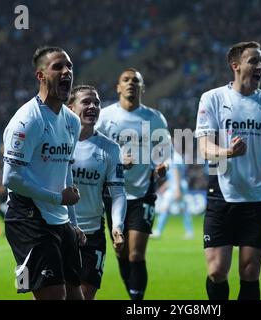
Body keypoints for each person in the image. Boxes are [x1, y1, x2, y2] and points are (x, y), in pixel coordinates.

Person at [195, 41, 261, 300]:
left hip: (257, 198)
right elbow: (204, 147)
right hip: (222, 193)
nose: (260, 66)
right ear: (235, 65)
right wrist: (228, 153)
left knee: (250, 271)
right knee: (217, 271)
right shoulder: (212, 98)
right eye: (254, 61)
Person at [2, 46, 86, 300]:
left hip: (59, 219)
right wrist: (58, 199)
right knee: (54, 295)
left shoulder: (72, 121)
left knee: (76, 294)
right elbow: (11, 178)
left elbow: (65, 173)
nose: (66, 71)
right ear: (40, 76)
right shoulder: (28, 120)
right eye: (58, 67)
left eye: (69, 66)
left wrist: (73, 221)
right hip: (28, 218)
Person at [96, 68, 170, 300]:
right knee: (122, 252)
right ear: (118, 87)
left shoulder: (154, 118)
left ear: (142, 88)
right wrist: (117, 162)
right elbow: (92, 150)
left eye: (135, 81)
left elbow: (166, 150)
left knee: (136, 254)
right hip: (112, 192)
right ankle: (134, 295)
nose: (130, 83)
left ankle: (137, 302)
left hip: (143, 192)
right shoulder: (105, 117)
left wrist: (163, 164)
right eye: (125, 80)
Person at [67, 85, 126, 300]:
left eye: (97, 103)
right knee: (53, 293)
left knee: (85, 294)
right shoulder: (59, 142)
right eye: (86, 102)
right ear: (71, 108)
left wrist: (117, 227)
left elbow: (118, 192)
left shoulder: (110, 148)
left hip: (92, 233)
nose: (92, 106)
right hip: (59, 230)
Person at [152, 148, 194, 240]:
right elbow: (173, 176)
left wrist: (177, 189)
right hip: (177, 185)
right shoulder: (176, 157)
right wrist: (164, 187)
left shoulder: (173, 158)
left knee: (166, 207)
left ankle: (158, 231)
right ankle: (189, 231)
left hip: (177, 186)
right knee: (183, 208)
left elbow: (176, 174)